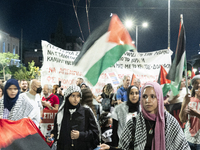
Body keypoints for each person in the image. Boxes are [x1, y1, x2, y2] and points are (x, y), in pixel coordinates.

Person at [100, 82, 190, 150]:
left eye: (152, 96)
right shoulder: (133, 123)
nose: (147, 100)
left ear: (159, 98)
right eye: (145, 96)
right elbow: (123, 148)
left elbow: (182, 147)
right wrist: (110, 148)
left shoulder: (170, 123)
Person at [47, 85, 99, 150]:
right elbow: (56, 131)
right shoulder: (60, 113)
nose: (76, 99)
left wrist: (80, 135)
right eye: (73, 95)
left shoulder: (86, 112)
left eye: (78, 96)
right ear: (67, 96)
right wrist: (52, 136)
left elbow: (95, 133)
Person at [179, 75, 200, 149]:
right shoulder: (189, 99)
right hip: (187, 138)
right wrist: (184, 103)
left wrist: (196, 114)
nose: (198, 85)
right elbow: (182, 119)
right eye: (196, 83)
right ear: (193, 85)